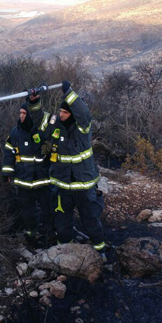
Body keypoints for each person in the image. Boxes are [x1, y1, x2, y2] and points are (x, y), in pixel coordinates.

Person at [40, 80, 106, 256]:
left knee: (90, 219)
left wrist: (68, 92)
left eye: (65, 112)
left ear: (72, 114)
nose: (61, 114)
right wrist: (33, 101)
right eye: (60, 111)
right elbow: (37, 120)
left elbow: (83, 112)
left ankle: (99, 252)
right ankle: (65, 253)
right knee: (62, 222)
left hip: (83, 186)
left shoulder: (83, 129)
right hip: (62, 187)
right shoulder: (56, 128)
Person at [2, 92, 53, 245]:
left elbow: (50, 150)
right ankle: (31, 233)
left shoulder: (40, 131)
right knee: (27, 210)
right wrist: (7, 172)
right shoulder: (15, 132)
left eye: (24, 113)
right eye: (20, 113)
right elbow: (8, 152)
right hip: (23, 179)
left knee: (47, 209)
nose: (22, 116)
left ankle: (49, 234)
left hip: (42, 180)